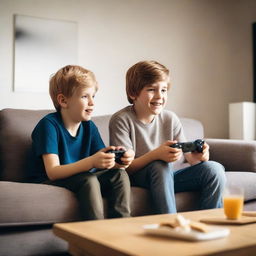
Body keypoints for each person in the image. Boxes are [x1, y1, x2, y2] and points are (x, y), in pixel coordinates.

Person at [109, 60, 226, 214]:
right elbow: (125, 168)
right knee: (159, 164)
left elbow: (191, 159)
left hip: (168, 177)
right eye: (151, 89)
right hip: (138, 177)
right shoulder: (121, 120)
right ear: (133, 93)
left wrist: (201, 156)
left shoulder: (170, 118)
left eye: (163, 90)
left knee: (214, 168)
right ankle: (171, 222)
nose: (159, 96)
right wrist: (156, 155)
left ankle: (208, 222)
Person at [27, 65, 134, 220]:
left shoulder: (88, 126)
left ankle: (122, 225)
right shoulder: (48, 125)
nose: (92, 103)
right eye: (85, 96)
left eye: (93, 96)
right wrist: (91, 161)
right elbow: (53, 171)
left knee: (119, 174)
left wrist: (119, 160)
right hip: (50, 181)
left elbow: (102, 161)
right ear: (63, 100)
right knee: (88, 179)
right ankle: (95, 232)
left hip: (80, 177)